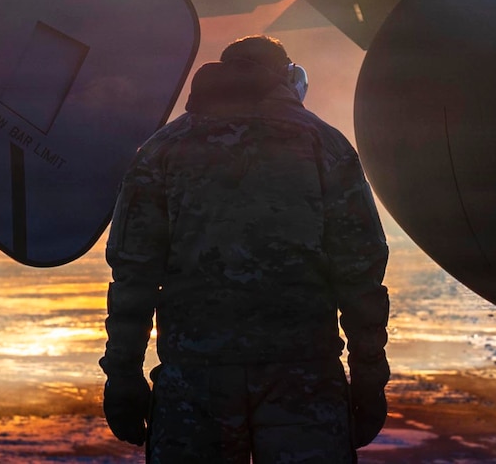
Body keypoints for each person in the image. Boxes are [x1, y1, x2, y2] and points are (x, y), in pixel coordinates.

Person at [100, 35, 390, 463]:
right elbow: (361, 271)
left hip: (194, 384)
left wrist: (123, 375)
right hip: (304, 380)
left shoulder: (161, 151)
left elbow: (133, 276)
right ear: (288, 79)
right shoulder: (324, 145)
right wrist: (369, 378)